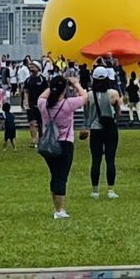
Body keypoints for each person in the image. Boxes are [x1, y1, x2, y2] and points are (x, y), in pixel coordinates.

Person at [36, 74, 87, 219]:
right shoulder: (68, 104)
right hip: (65, 143)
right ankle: (59, 210)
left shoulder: (43, 104)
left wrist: (53, 85)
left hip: (48, 144)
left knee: (55, 175)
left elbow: (42, 96)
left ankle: (56, 206)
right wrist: (75, 84)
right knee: (61, 177)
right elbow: (84, 96)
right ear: (64, 90)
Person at [86, 66, 122, 199]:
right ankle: (111, 190)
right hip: (110, 129)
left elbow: (86, 113)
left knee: (96, 160)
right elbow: (118, 113)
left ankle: (95, 190)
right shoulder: (113, 93)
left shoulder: (89, 95)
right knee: (110, 160)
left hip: (95, 129)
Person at [21, 62, 47, 148]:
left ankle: (42, 140)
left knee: (41, 123)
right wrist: (26, 103)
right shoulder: (28, 80)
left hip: (41, 103)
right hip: (32, 103)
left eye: (34, 66)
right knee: (32, 123)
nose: (31, 68)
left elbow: (46, 91)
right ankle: (33, 141)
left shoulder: (42, 79)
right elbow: (26, 92)